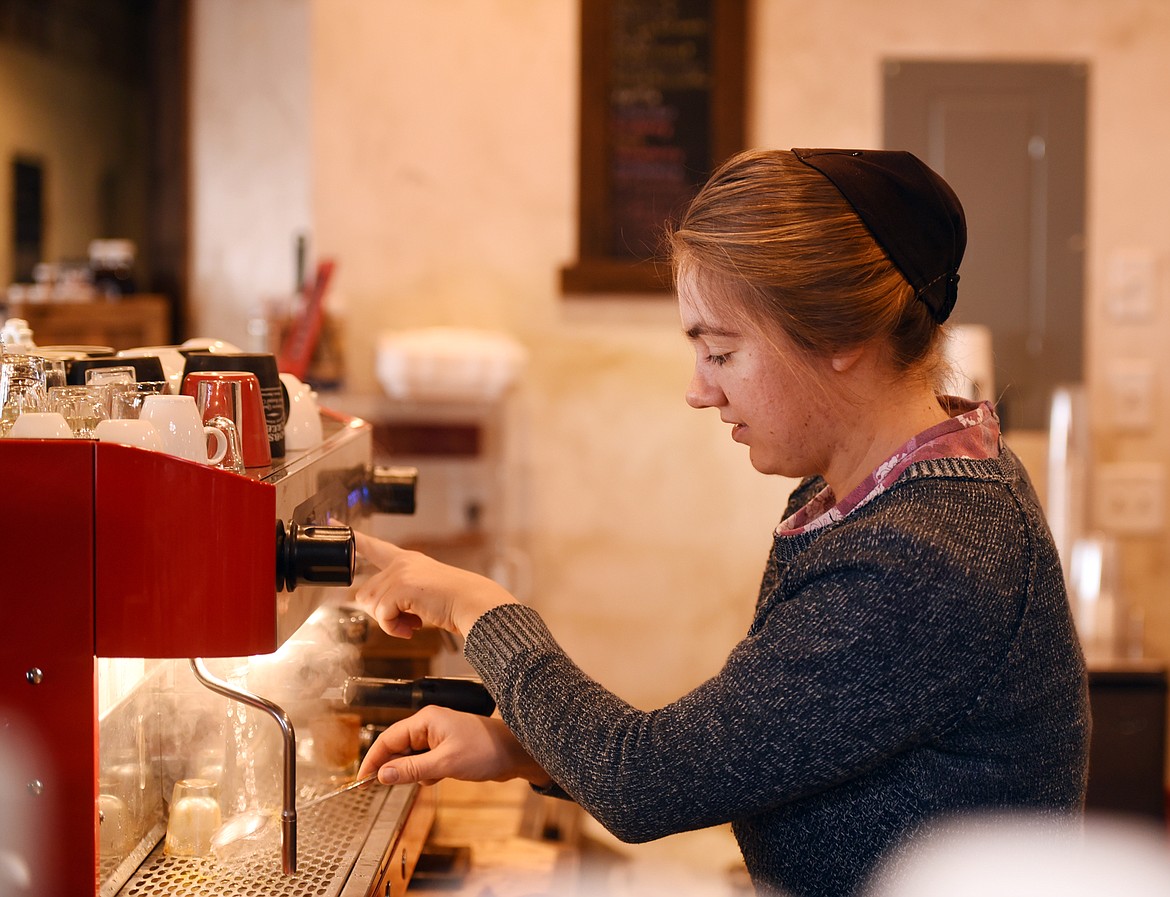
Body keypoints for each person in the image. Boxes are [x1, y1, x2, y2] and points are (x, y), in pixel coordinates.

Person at [351, 148, 1090, 897]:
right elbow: (754, 752)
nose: (698, 391)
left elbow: (642, 781)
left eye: (720, 351)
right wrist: (520, 747)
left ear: (841, 337)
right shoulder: (880, 492)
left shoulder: (924, 555)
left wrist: (471, 604)